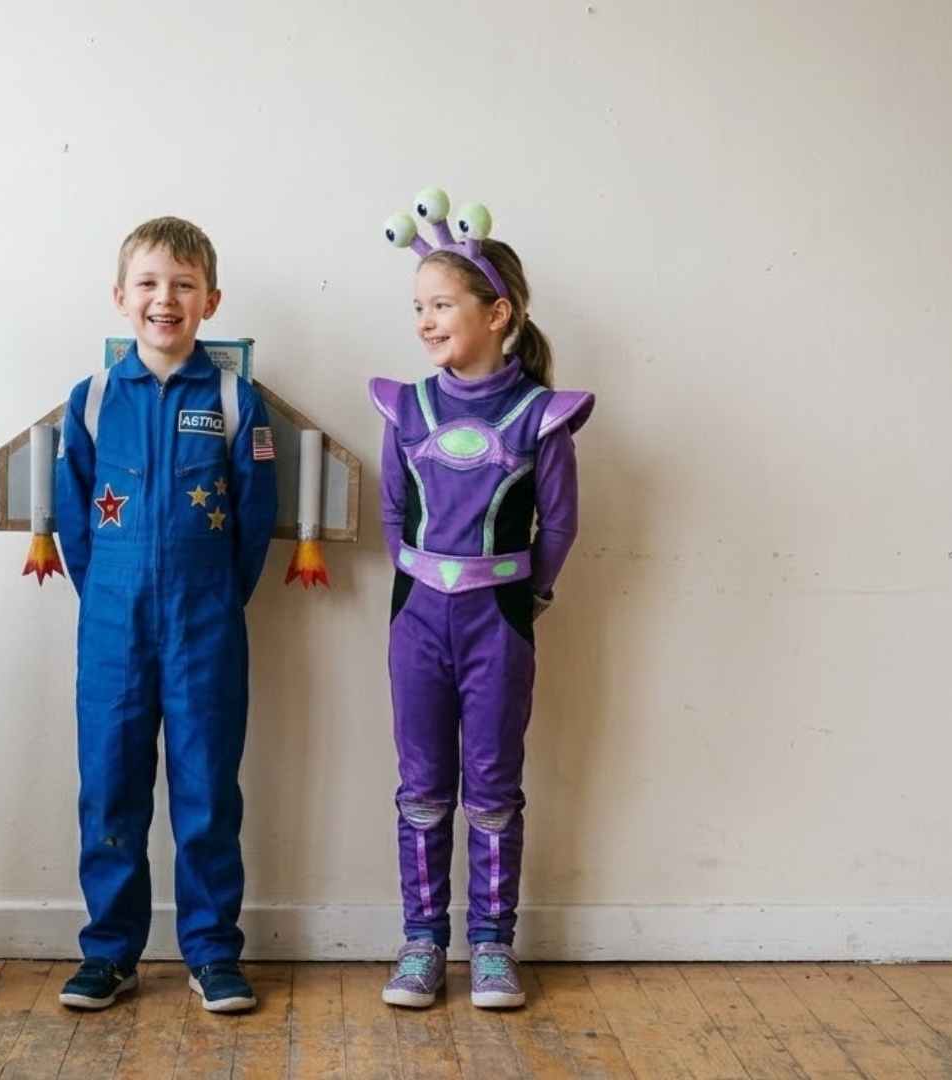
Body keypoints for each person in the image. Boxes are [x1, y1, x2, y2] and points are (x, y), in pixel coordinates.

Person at [369, 189, 594, 1009]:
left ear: (497, 313)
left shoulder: (541, 415)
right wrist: (414, 575)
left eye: (441, 305)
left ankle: (493, 946)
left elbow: (560, 523)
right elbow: (394, 510)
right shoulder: (408, 406)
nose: (426, 321)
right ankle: (423, 942)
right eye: (418, 307)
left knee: (493, 786)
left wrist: (526, 595)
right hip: (417, 619)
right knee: (423, 784)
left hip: (499, 623)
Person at [52, 216, 278, 1013]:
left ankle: (213, 952)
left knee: (207, 791)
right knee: (109, 789)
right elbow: (72, 521)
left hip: (205, 626)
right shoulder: (92, 399)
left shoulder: (231, 398)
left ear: (210, 301)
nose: (164, 299)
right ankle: (109, 952)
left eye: (183, 285)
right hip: (111, 627)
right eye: (148, 283)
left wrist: (210, 599)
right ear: (121, 298)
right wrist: (111, 597)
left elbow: (254, 524)